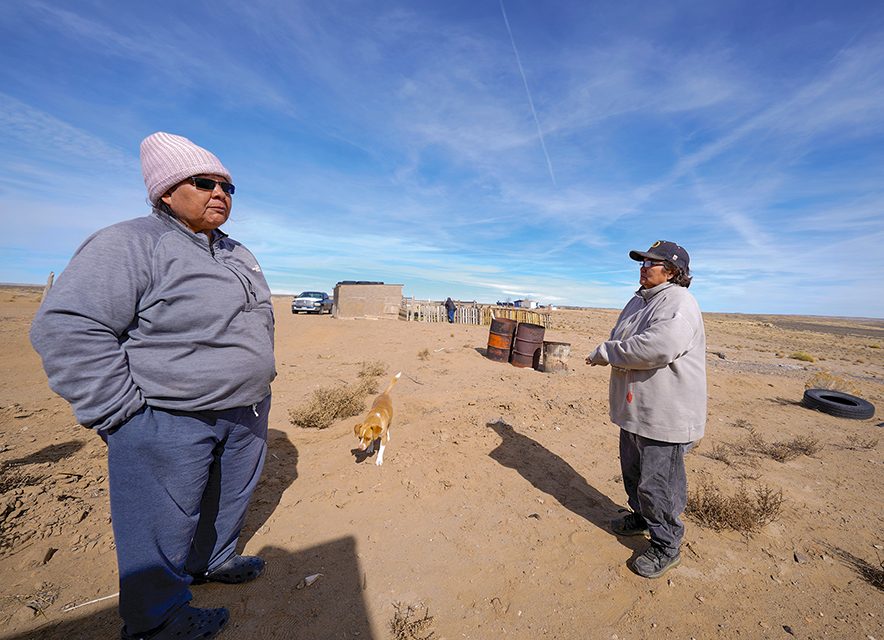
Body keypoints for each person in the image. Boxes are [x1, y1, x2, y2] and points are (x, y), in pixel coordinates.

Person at [30, 132, 276, 639]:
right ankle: (156, 621)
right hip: (166, 417)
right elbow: (69, 327)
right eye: (204, 182)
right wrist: (122, 414)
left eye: (228, 186)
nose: (219, 193)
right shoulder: (130, 243)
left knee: (227, 500)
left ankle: (212, 560)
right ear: (167, 192)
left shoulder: (236, 251)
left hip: (245, 411)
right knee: (159, 525)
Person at [585, 241, 706, 579]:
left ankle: (667, 544)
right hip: (637, 411)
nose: (643, 267)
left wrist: (608, 352)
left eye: (652, 262)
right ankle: (640, 518)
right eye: (642, 261)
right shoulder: (639, 300)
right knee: (635, 476)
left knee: (659, 484)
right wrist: (614, 349)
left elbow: (658, 347)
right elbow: (623, 337)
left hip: (664, 414)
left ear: (672, 271)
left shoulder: (679, 302)